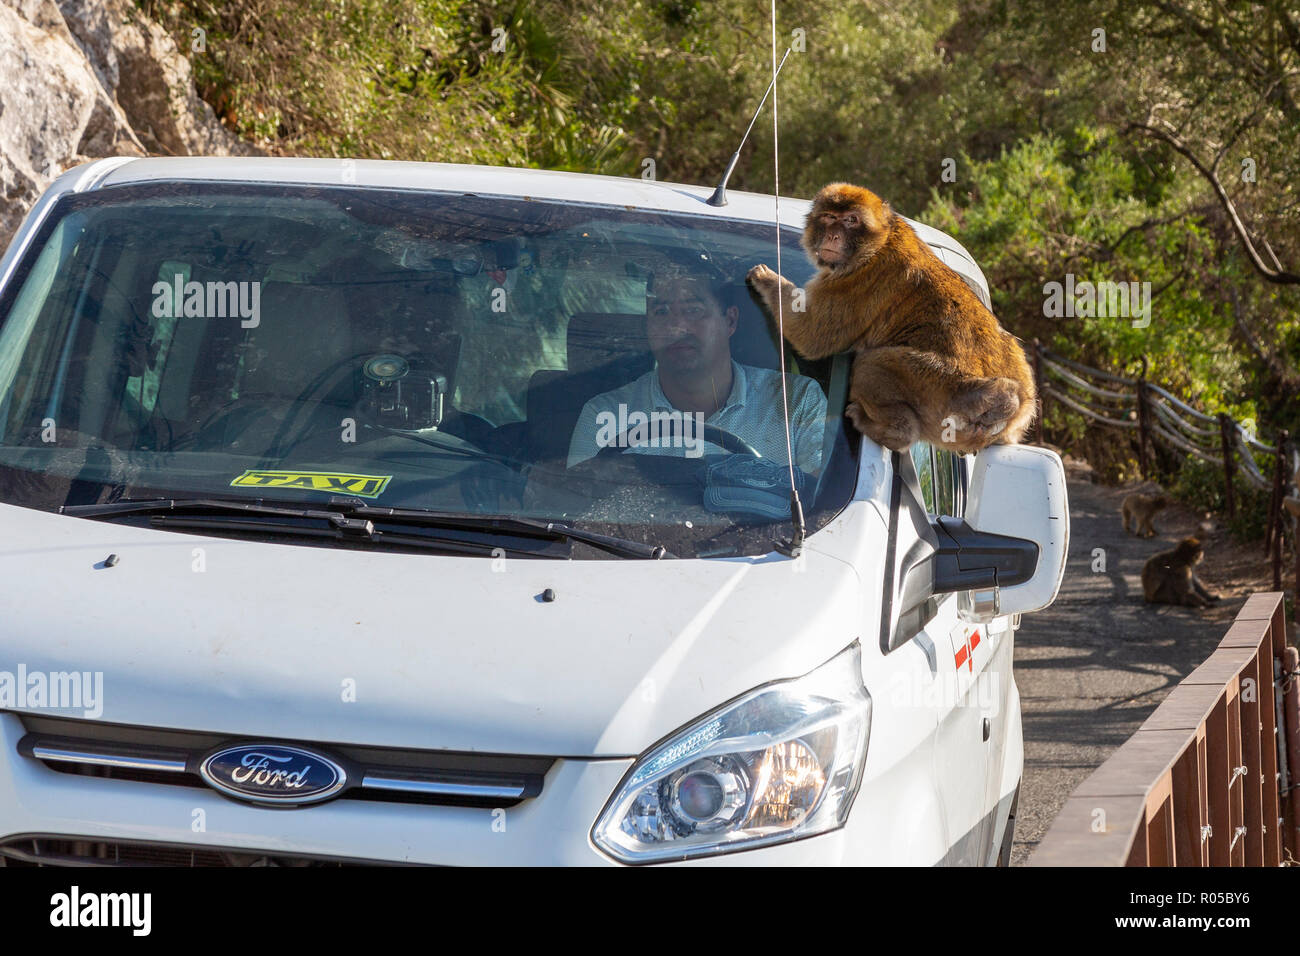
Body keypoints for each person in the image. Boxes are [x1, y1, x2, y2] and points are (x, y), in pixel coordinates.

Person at [566, 271, 827, 471]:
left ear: (730, 321)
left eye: (694, 310)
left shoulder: (795, 402)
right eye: (661, 311)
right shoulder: (604, 417)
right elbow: (576, 518)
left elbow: (824, 514)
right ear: (647, 325)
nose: (677, 327)